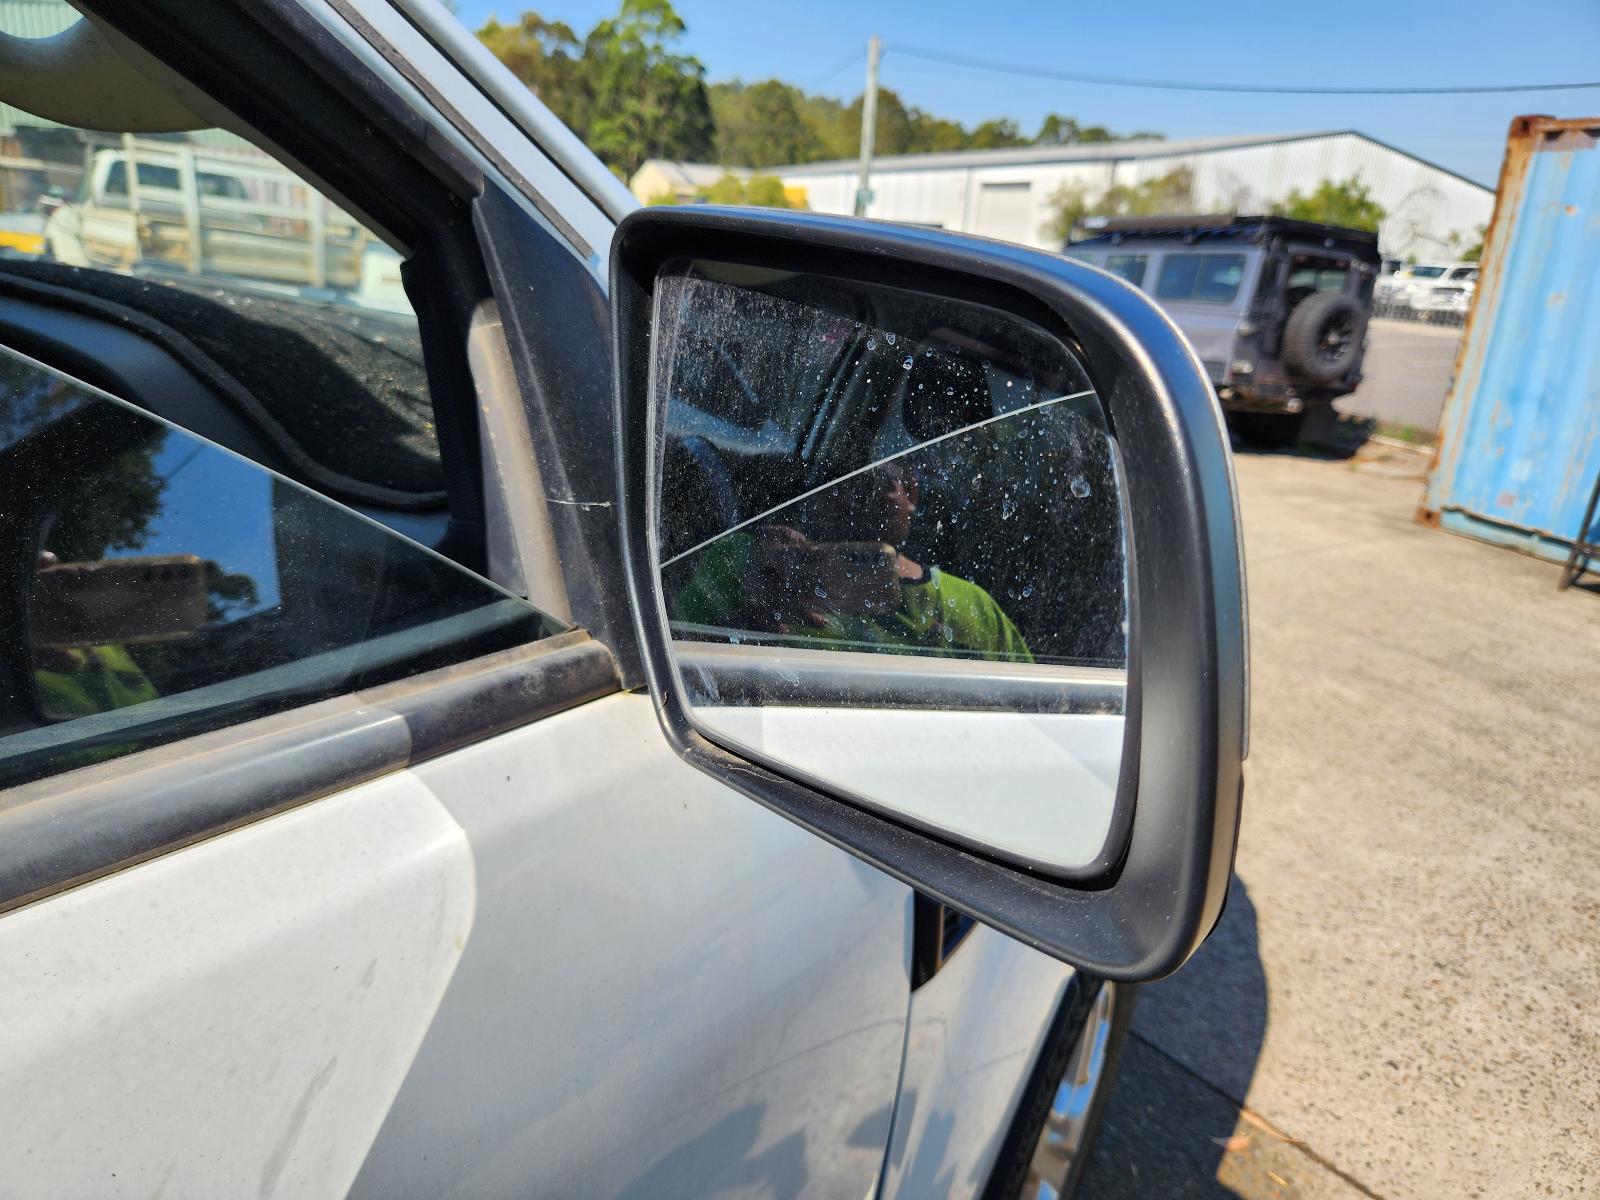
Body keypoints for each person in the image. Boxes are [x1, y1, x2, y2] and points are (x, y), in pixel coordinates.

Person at [672, 460, 1031, 663]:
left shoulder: (973, 607)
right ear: (814, 490)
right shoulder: (749, 559)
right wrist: (752, 615)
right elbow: (672, 660)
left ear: (912, 493)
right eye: (836, 479)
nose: (851, 497)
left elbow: (1038, 712)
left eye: (874, 483)